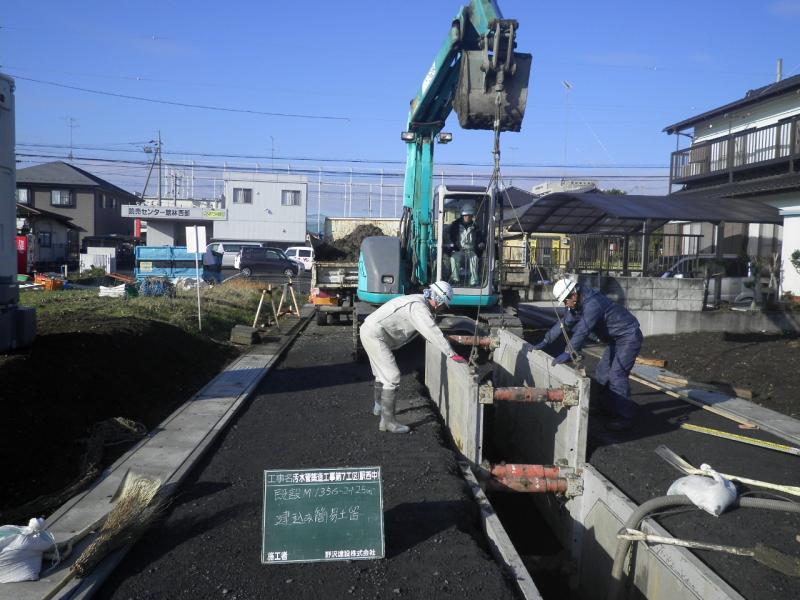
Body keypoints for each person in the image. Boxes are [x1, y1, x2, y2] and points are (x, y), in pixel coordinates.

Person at [533, 279, 643, 432]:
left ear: (574, 294)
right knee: (602, 373)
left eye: (566, 301)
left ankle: (623, 418)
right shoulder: (577, 305)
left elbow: (583, 330)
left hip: (628, 336)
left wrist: (567, 352)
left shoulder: (593, 304)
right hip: (615, 340)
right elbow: (564, 324)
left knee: (617, 375)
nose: (565, 305)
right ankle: (605, 409)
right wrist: (545, 340)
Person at [359, 281, 468, 434]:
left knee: (381, 373)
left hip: (370, 331)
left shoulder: (417, 300)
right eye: (444, 306)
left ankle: (378, 407)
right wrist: (452, 354)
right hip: (375, 335)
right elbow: (432, 332)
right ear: (438, 301)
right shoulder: (418, 308)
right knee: (392, 376)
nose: (442, 309)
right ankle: (388, 423)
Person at [448, 203, 485, 286]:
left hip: (471, 250)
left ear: (472, 216)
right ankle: (455, 280)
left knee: (474, 259)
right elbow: (451, 237)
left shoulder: (476, 227)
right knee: (454, 258)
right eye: (465, 215)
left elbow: (480, 238)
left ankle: (474, 282)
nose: (467, 217)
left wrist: (481, 244)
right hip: (459, 250)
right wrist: (453, 245)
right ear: (462, 215)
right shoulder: (455, 225)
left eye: (469, 215)